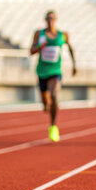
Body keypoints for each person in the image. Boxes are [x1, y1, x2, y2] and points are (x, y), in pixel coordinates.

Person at [29, 10, 76, 142]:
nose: (50, 21)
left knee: (54, 95)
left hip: (55, 72)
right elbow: (31, 51)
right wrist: (40, 47)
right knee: (46, 103)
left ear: (55, 20)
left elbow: (70, 48)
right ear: (45, 20)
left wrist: (74, 65)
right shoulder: (39, 34)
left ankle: (53, 126)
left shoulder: (63, 35)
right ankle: (46, 104)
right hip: (42, 71)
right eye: (48, 19)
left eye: (52, 18)